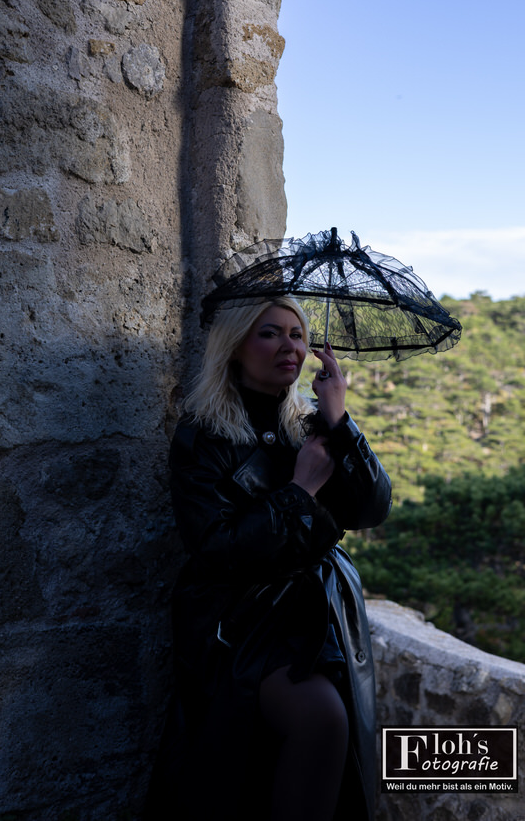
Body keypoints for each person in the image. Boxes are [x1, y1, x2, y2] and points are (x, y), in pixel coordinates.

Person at [164, 296, 392, 821]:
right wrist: (300, 489)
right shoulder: (204, 437)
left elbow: (371, 509)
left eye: (297, 333)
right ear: (236, 347)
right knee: (322, 722)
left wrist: (339, 418)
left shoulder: (310, 426)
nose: (289, 345)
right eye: (270, 333)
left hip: (318, 614)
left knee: (329, 750)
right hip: (242, 621)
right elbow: (217, 549)